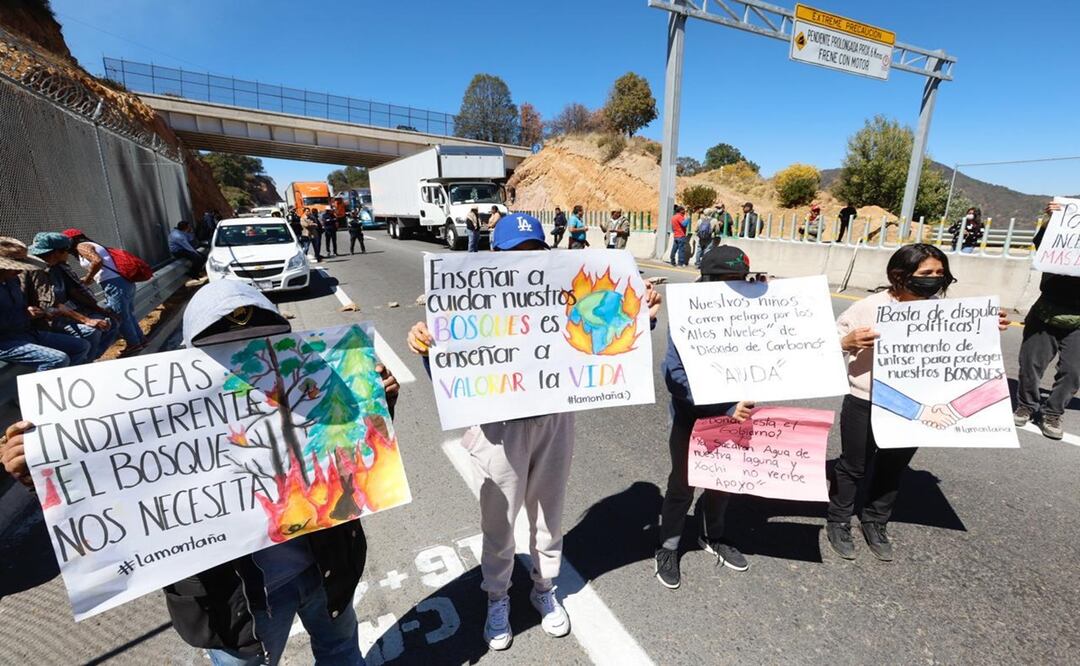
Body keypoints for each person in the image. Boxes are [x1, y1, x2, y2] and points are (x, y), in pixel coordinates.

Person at [1, 278, 399, 665]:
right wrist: (41, 474)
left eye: (258, 340)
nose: (241, 357)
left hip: (326, 569)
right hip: (234, 604)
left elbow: (349, 452)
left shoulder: (301, 385)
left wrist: (374, 403)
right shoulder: (155, 418)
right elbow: (110, 494)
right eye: (218, 349)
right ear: (189, 354)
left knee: (341, 651)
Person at [407, 213, 660, 650]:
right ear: (497, 257)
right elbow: (455, 381)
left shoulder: (560, 297)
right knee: (499, 525)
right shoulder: (472, 298)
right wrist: (429, 348)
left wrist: (644, 317)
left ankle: (544, 589)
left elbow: (603, 345)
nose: (525, 262)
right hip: (496, 431)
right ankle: (497, 598)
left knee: (549, 518)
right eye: (515, 254)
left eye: (534, 252)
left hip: (554, 422)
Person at [828, 243, 1009, 561]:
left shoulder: (945, 313)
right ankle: (839, 520)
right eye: (926, 273)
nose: (934, 279)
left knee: (892, 466)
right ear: (900, 275)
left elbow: (962, 350)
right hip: (865, 400)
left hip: (913, 408)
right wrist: (846, 341)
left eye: (940, 273)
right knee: (853, 466)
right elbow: (823, 344)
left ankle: (875, 521)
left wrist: (987, 329)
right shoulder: (868, 307)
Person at [655, 246, 756, 590]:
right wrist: (724, 406)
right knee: (682, 486)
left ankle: (713, 535)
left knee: (722, 483)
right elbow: (674, 376)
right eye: (728, 280)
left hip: (737, 417)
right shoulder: (689, 314)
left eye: (741, 280)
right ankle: (668, 546)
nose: (736, 287)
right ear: (708, 281)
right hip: (692, 417)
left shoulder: (754, 313)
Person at [1014, 201, 1079, 440]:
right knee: (1030, 364)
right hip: (1046, 311)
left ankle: (1052, 413)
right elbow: (1041, 244)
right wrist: (1052, 221)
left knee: (1073, 372)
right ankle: (1026, 406)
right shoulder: (1062, 236)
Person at [0, 237, 90, 371]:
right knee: (57, 359)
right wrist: (26, 315)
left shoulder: (12, 281)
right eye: (15, 268)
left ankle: (68, 382)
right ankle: (40, 390)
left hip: (26, 332)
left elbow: (20, 307)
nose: (19, 271)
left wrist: (37, 312)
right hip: (5, 342)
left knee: (81, 346)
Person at [24, 233, 118, 362]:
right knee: (90, 331)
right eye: (66, 251)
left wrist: (100, 310)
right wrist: (86, 320)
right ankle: (84, 365)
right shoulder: (36, 270)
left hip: (66, 313)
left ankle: (90, 358)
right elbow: (51, 304)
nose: (68, 254)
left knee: (111, 321)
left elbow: (74, 292)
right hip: (47, 320)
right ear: (57, 252)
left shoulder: (58, 267)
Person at [62, 229, 147, 354]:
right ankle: (140, 340)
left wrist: (88, 278)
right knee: (126, 314)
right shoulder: (92, 245)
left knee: (119, 316)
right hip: (122, 282)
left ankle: (134, 344)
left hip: (114, 284)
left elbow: (97, 261)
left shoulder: (82, 246)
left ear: (72, 240)